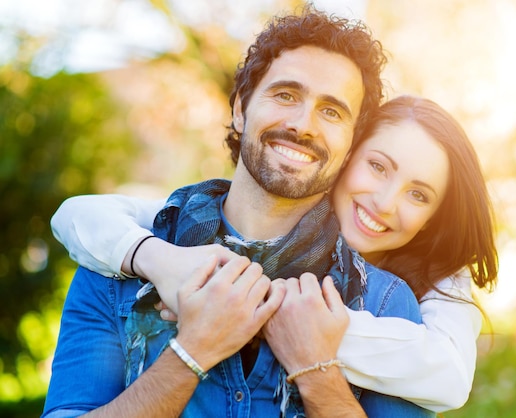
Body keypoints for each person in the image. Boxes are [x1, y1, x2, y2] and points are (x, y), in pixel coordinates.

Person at [43, 6, 437, 418]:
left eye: (331, 111)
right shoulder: (116, 269)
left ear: (351, 145)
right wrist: (192, 352)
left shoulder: (383, 302)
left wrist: (316, 373)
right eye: (286, 95)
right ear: (240, 109)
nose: (304, 125)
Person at [50, 95, 498, 414]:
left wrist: (294, 334)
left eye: (418, 195)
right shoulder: (189, 228)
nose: (384, 202)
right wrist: (159, 262)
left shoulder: (416, 293)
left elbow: (449, 379)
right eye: (377, 166)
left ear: (432, 218)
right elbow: (84, 214)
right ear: (344, 155)